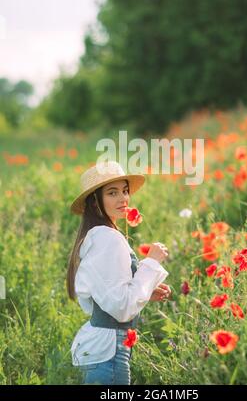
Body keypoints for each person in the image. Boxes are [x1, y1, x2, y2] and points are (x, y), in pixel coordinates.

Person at [66, 160, 171, 385]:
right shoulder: (106, 237)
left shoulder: (98, 236)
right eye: (112, 193)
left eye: (125, 191)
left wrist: (145, 292)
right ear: (95, 203)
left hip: (102, 349)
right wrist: (151, 263)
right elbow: (122, 309)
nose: (123, 198)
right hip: (109, 351)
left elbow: (110, 296)